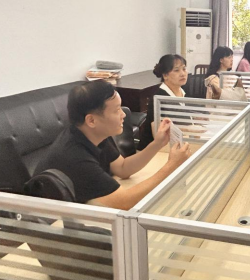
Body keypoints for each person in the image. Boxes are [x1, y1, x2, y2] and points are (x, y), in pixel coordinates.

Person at [35, 80, 192, 210]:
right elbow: (125, 202)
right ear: (91, 120)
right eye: (117, 110)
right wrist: (171, 166)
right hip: (51, 227)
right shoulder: (75, 157)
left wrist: (157, 143)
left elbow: (123, 168)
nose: (123, 114)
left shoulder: (93, 134)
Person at [138, 54, 188, 151]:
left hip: (174, 144)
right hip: (151, 151)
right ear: (165, 75)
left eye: (184, 69)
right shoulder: (159, 98)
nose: (183, 74)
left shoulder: (182, 91)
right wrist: (188, 129)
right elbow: (158, 135)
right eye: (176, 70)